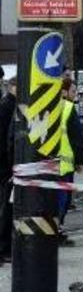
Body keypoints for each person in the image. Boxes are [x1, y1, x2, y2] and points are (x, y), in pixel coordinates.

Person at [57, 78, 83, 246]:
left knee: (54, 200)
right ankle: (57, 230)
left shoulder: (49, 107)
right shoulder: (68, 108)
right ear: (64, 91)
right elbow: (77, 138)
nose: (75, 96)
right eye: (73, 92)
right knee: (63, 200)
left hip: (50, 164)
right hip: (66, 163)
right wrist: (80, 161)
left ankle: (53, 229)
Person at [0, 76, 16, 264]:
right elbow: (7, 139)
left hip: (5, 165)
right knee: (6, 207)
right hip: (5, 166)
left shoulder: (7, 104)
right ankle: (4, 248)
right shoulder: (8, 106)